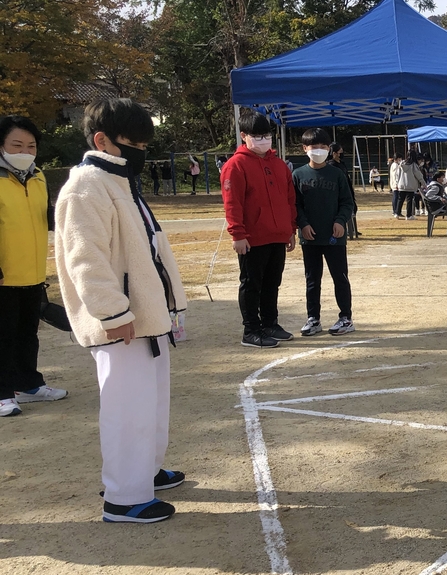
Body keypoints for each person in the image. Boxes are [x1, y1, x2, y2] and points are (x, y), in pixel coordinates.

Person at [54, 98, 188, 522]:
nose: (141, 151)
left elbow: (149, 245)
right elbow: (84, 259)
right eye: (134, 142)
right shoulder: (85, 186)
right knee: (126, 407)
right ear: (102, 140)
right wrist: (112, 313)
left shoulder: (120, 181)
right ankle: (124, 497)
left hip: (148, 315)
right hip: (123, 321)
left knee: (150, 403)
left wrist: (169, 304)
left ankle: (144, 471)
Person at [0, 115, 68, 418]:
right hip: (4, 275)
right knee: (3, 335)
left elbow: (47, 217)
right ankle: (2, 393)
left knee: (28, 333)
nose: (24, 151)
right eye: (17, 145)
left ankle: (28, 385)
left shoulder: (38, 176)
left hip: (33, 272)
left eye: (31, 146)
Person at [221, 108, 297, 348]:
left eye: (267, 135)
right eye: (258, 135)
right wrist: (238, 234)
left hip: (277, 234)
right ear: (244, 135)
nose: (263, 140)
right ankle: (251, 330)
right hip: (252, 238)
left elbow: (289, 199)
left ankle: (270, 323)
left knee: (272, 282)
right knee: (251, 284)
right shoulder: (236, 165)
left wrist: (290, 229)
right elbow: (232, 202)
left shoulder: (279, 164)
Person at [293, 128, 356, 338]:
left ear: (329, 149)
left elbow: (348, 203)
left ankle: (345, 317)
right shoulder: (298, 175)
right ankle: (313, 318)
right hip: (309, 238)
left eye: (322, 147)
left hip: (334, 238)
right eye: (313, 147)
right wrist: (302, 224)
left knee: (340, 277)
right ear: (305, 149)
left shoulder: (337, 174)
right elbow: (295, 205)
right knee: (312, 279)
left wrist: (340, 221)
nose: (318, 150)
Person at [327, 143, 360, 238]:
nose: (341, 154)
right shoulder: (332, 165)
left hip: (347, 190)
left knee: (353, 208)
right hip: (338, 193)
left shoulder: (341, 164)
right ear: (334, 153)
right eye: (340, 152)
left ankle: (352, 229)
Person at [423, 170, 447, 237]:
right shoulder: (436, 186)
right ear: (438, 179)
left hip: (436, 207)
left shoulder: (436, 185)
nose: (444, 179)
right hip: (436, 208)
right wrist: (440, 198)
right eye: (443, 177)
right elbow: (429, 195)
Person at [395, 153, 424, 220]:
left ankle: (397, 213)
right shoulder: (414, 165)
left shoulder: (401, 163)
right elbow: (419, 176)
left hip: (401, 185)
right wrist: (424, 184)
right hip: (410, 185)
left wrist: (397, 183)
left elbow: (397, 175)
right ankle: (408, 215)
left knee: (400, 200)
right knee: (409, 200)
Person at [390, 153, 404, 218]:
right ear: (396, 159)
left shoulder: (394, 165)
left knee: (396, 197)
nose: (401, 160)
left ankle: (396, 211)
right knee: (396, 198)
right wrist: (396, 184)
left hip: (395, 183)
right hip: (396, 184)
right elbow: (395, 176)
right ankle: (396, 211)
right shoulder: (395, 165)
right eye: (400, 158)